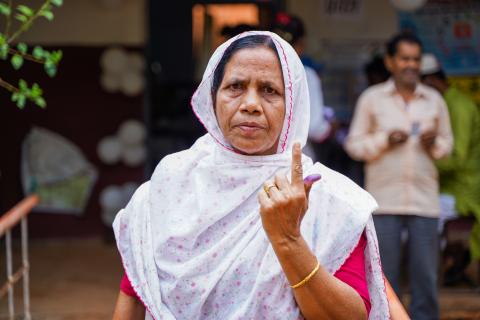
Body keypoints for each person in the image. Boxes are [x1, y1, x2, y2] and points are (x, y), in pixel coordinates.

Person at [111, 31, 391, 319]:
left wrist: (289, 241)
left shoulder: (330, 199)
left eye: (270, 90)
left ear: (292, 105)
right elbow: (135, 293)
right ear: (213, 96)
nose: (251, 104)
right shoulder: (169, 184)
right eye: (235, 86)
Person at [345, 32, 453, 320]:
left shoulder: (434, 100)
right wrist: (383, 140)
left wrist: (434, 145)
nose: (411, 65)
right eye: (404, 58)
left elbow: (447, 145)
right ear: (391, 62)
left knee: (426, 281)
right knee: (383, 281)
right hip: (384, 201)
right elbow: (354, 145)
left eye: (415, 59)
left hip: (424, 202)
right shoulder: (372, 98)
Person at [421, 53, 480, 268]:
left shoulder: (459, 107)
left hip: (464, 189)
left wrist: (423, 167)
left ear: (431, 82)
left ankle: (436, 270)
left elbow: (458, 160)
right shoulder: (445, 103)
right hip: (447, 185)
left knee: (423, 216)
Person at [272, 13, 330, 161]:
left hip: (256, 159)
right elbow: (315, 128)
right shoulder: (305, 75)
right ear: (301, 45)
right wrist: (330, 127)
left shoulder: (253, 70)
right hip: (295, 160)